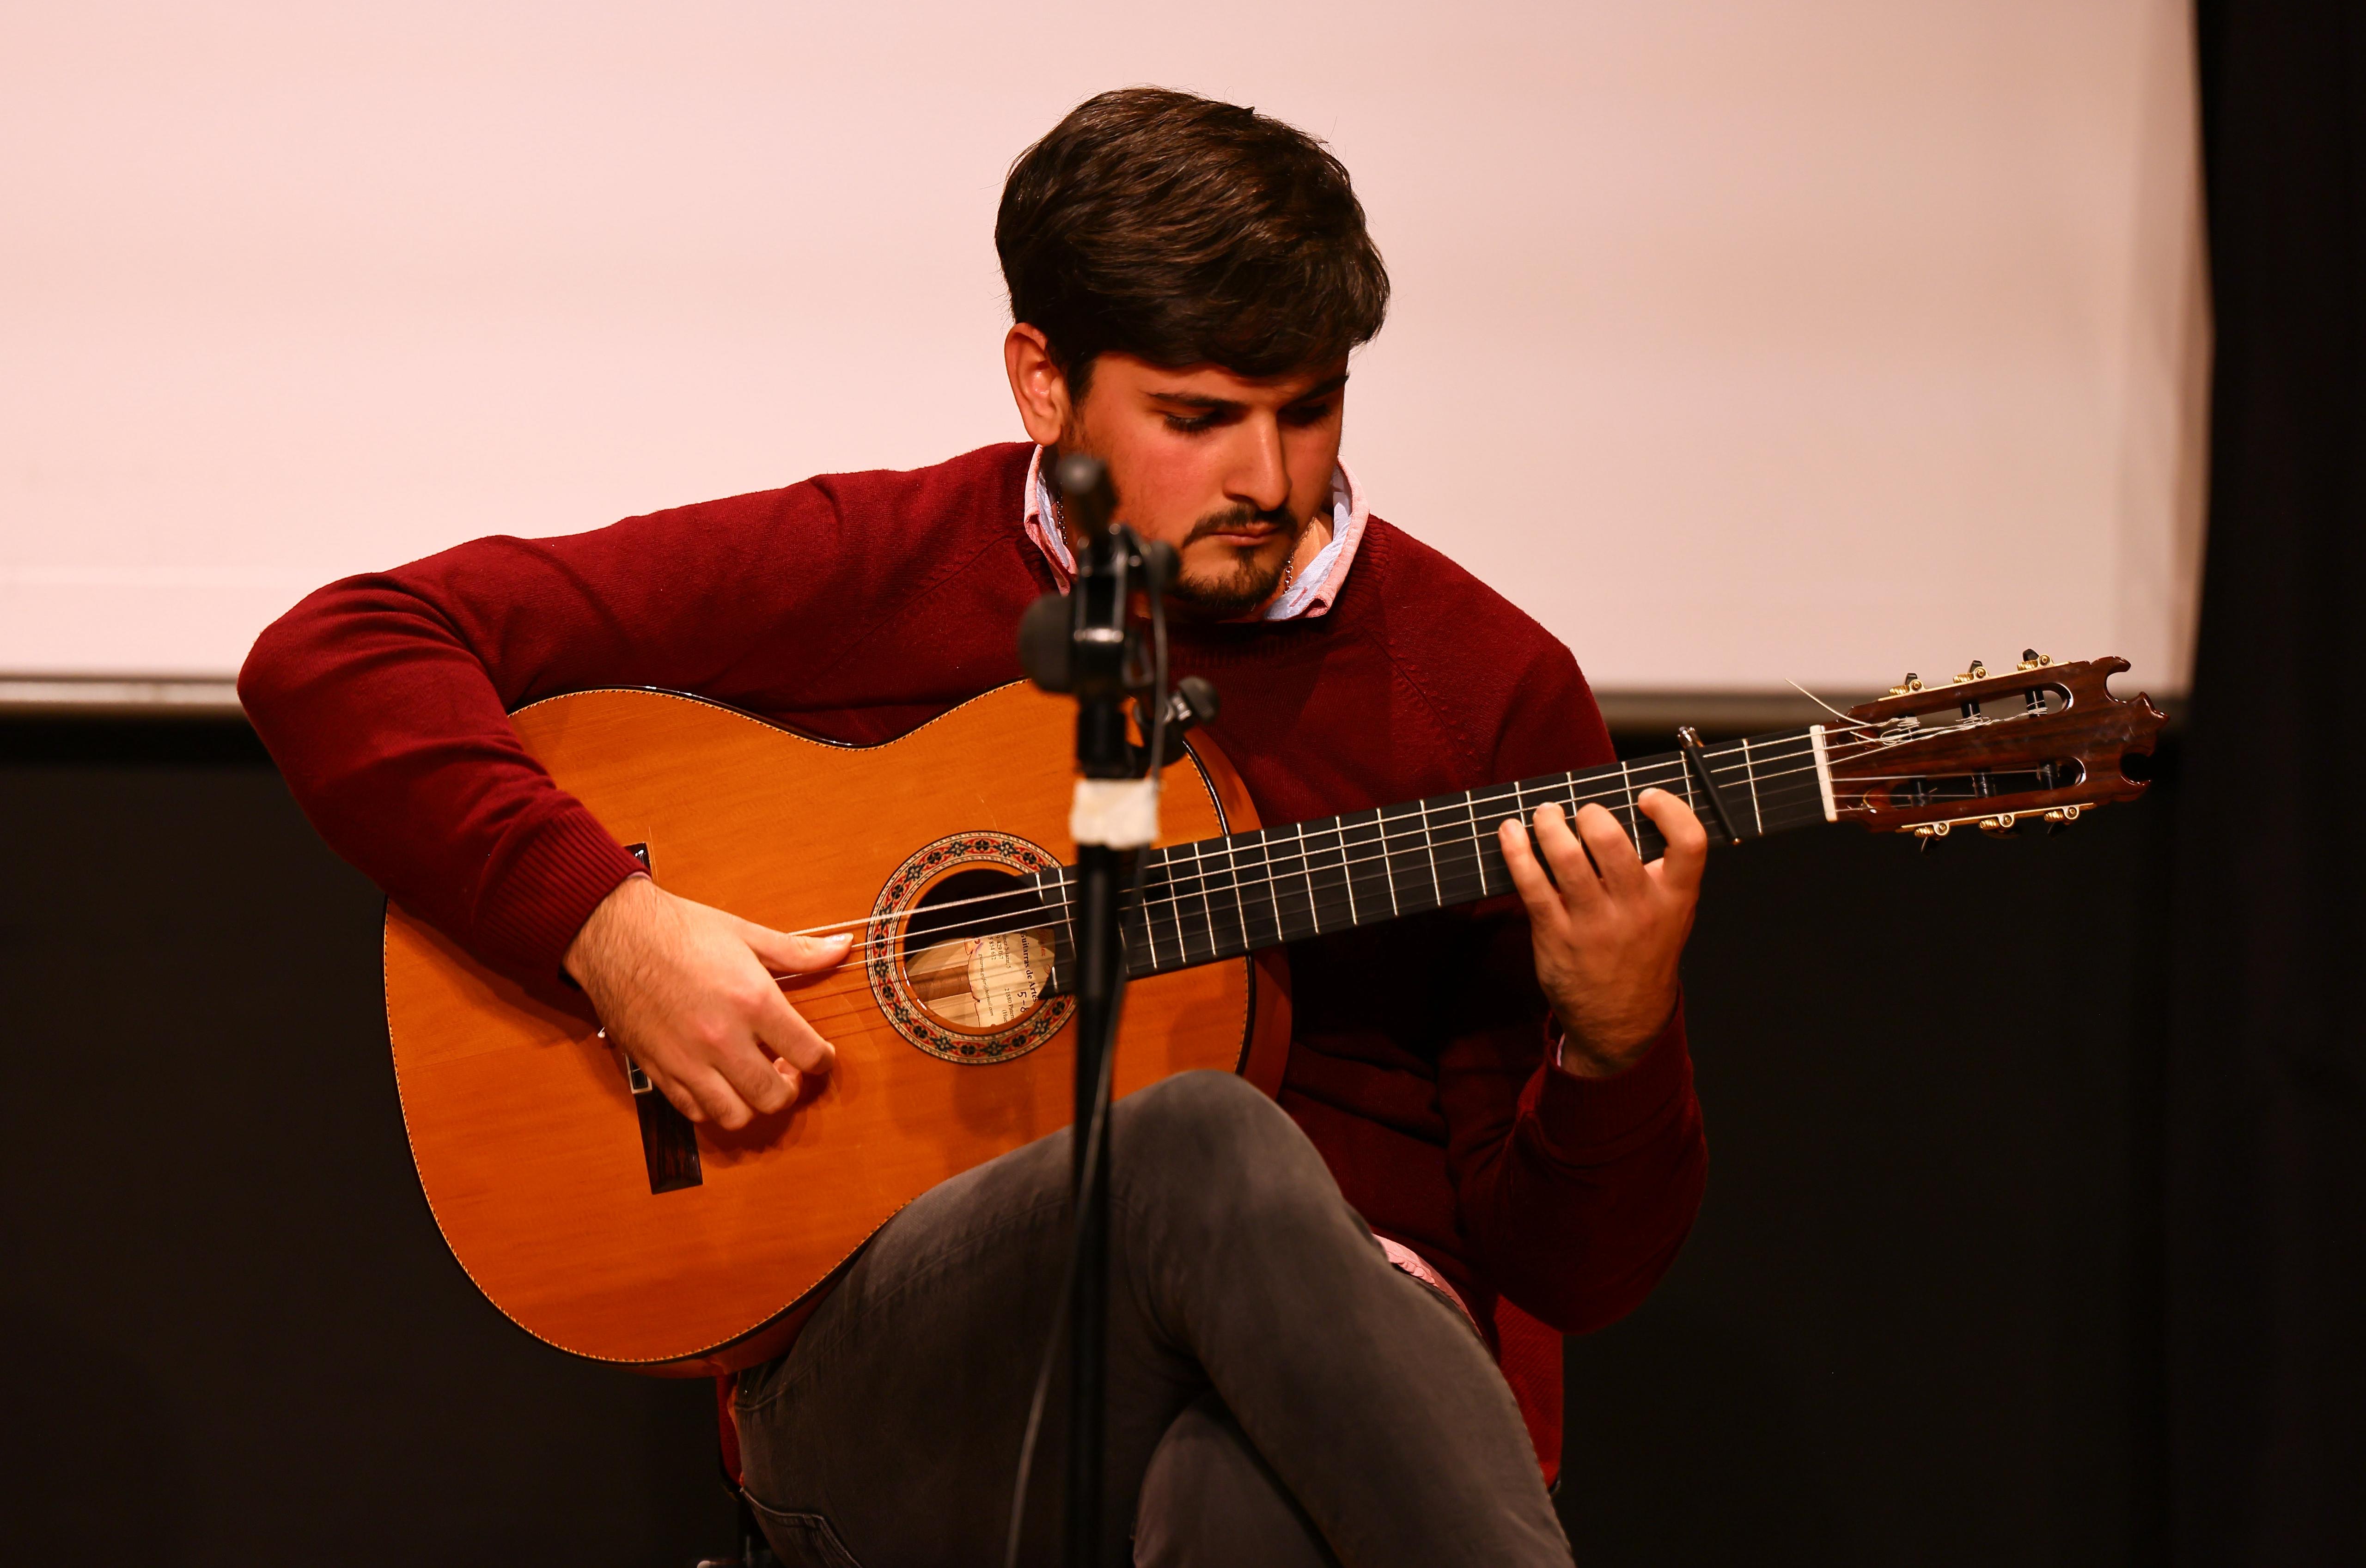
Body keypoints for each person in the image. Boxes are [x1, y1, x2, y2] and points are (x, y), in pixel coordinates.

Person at [241, 88, 1710, 1567]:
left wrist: (1615, 1047)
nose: (1270, 480)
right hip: (909, 1387)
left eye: (1310, 407)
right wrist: (602, 928)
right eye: (1198, 420)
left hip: (1352, 1394)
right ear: (1044, 385)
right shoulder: (878, 567)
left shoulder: (1489, 695)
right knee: (1195, 1138)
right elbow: (345, 650)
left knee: (1238, 1501)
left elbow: (1571, 1274)